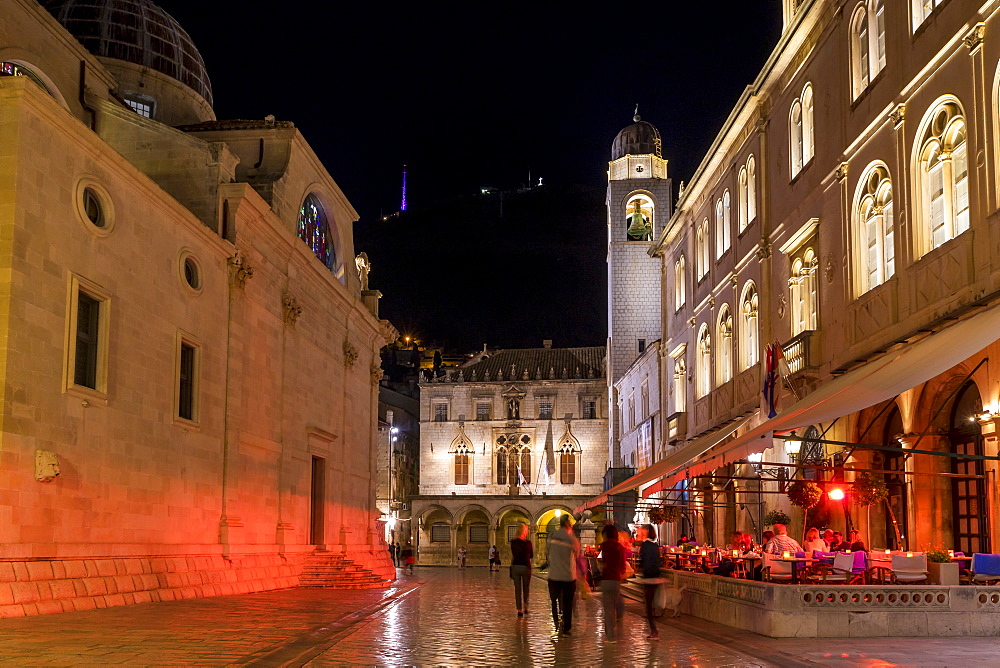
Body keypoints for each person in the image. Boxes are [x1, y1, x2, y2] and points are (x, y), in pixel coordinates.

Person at [547, 514, 580, 636]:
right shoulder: (572, 539)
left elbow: (547, 553)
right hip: (568, 576)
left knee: (554, 600)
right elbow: (577, 556)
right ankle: (566, 627)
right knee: (567, 603)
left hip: (554, 575)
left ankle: (556, 621)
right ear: (568, 524)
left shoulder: (551, 536)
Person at [598, 524, 626, 643]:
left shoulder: (605, 546)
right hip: (616, 579)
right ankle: (617, 622)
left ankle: (610, 636)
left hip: (606, 579)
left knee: (608, 609)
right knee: (615, 605)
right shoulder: (620, 547)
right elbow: (623, 567)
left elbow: (602, 563)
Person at [637, 524, 662, 640]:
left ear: (646, 531)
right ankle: (654, 630)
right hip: (655, 576)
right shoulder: (655, 545)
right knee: (649, 605)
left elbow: (645, 562)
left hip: (649, 578)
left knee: (648, 606)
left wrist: (645, 573)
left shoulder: (645, 545)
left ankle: (654, 631)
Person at [510, 523, 534, 617]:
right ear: (525, 531)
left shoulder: (513, 542)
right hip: (525, 566)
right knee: (526, 588)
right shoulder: (528, 543)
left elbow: (514, 553)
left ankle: (519, 609)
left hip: (515, 566)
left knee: (517, 589)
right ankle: (526, 607)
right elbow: (531, 555)